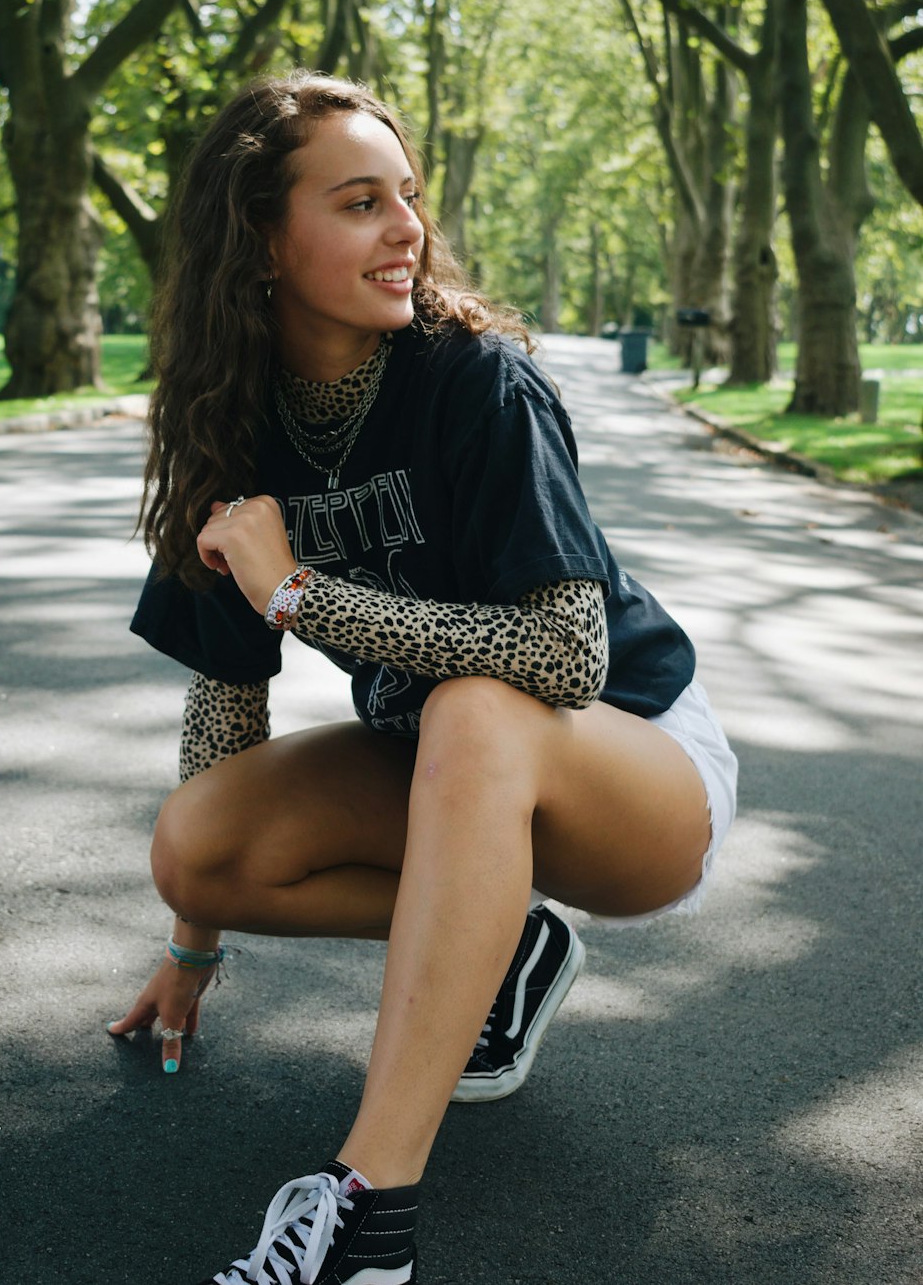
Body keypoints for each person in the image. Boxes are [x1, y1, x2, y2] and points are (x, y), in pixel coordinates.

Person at [109, 70, 738, 1285]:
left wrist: (302, 593)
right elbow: (229, 691)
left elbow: (566, 655)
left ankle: (368, 1213)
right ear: (258, 241)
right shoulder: (228, 429)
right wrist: (195, 943)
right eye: (359, 202)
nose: (407, 229)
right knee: (198, 844)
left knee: (475, 705)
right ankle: (502, 944)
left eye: (406, 196)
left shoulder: (473, 381)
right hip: (442, 766)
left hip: (633, 764)